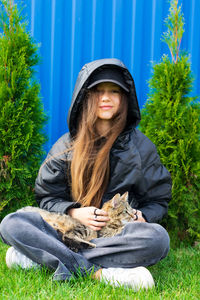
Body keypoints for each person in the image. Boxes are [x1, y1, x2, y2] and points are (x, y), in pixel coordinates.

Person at [0, 58, 171, 290]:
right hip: (70, 234)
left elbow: (158, 200)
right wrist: (73, 211)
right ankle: (101, 273)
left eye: (114, 91)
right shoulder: (65, 147)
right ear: (85, 97)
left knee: (158, 239)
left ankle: (43, 259)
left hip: (117, 237)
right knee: (11, 223)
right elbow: (47, 197)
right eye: (98, 91)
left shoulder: (142, 148)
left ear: (124, 98)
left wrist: (144, 217)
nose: (106, 98)